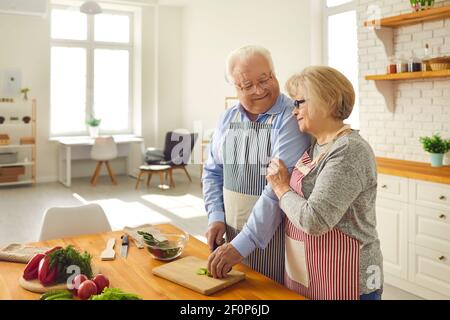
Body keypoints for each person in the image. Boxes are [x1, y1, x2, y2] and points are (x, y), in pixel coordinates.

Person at [232, 65, 383, 300]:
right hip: (312, 275)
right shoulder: (316, 146)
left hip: (350, 280)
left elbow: (315, 220)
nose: (294, 111)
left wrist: (281, 188)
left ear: (328, 100)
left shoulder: (349, 150)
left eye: (299, 102)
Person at [202, 45, 310, 284]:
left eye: (265, 79)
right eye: (247, 85)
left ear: (274, 73)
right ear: (235, 86)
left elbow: (276, 191)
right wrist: (216, 217)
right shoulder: (226, 118)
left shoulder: (291, 118)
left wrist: (242, 245)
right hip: (230, 234)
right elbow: (212, 171)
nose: (260, 90)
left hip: (274, 239)